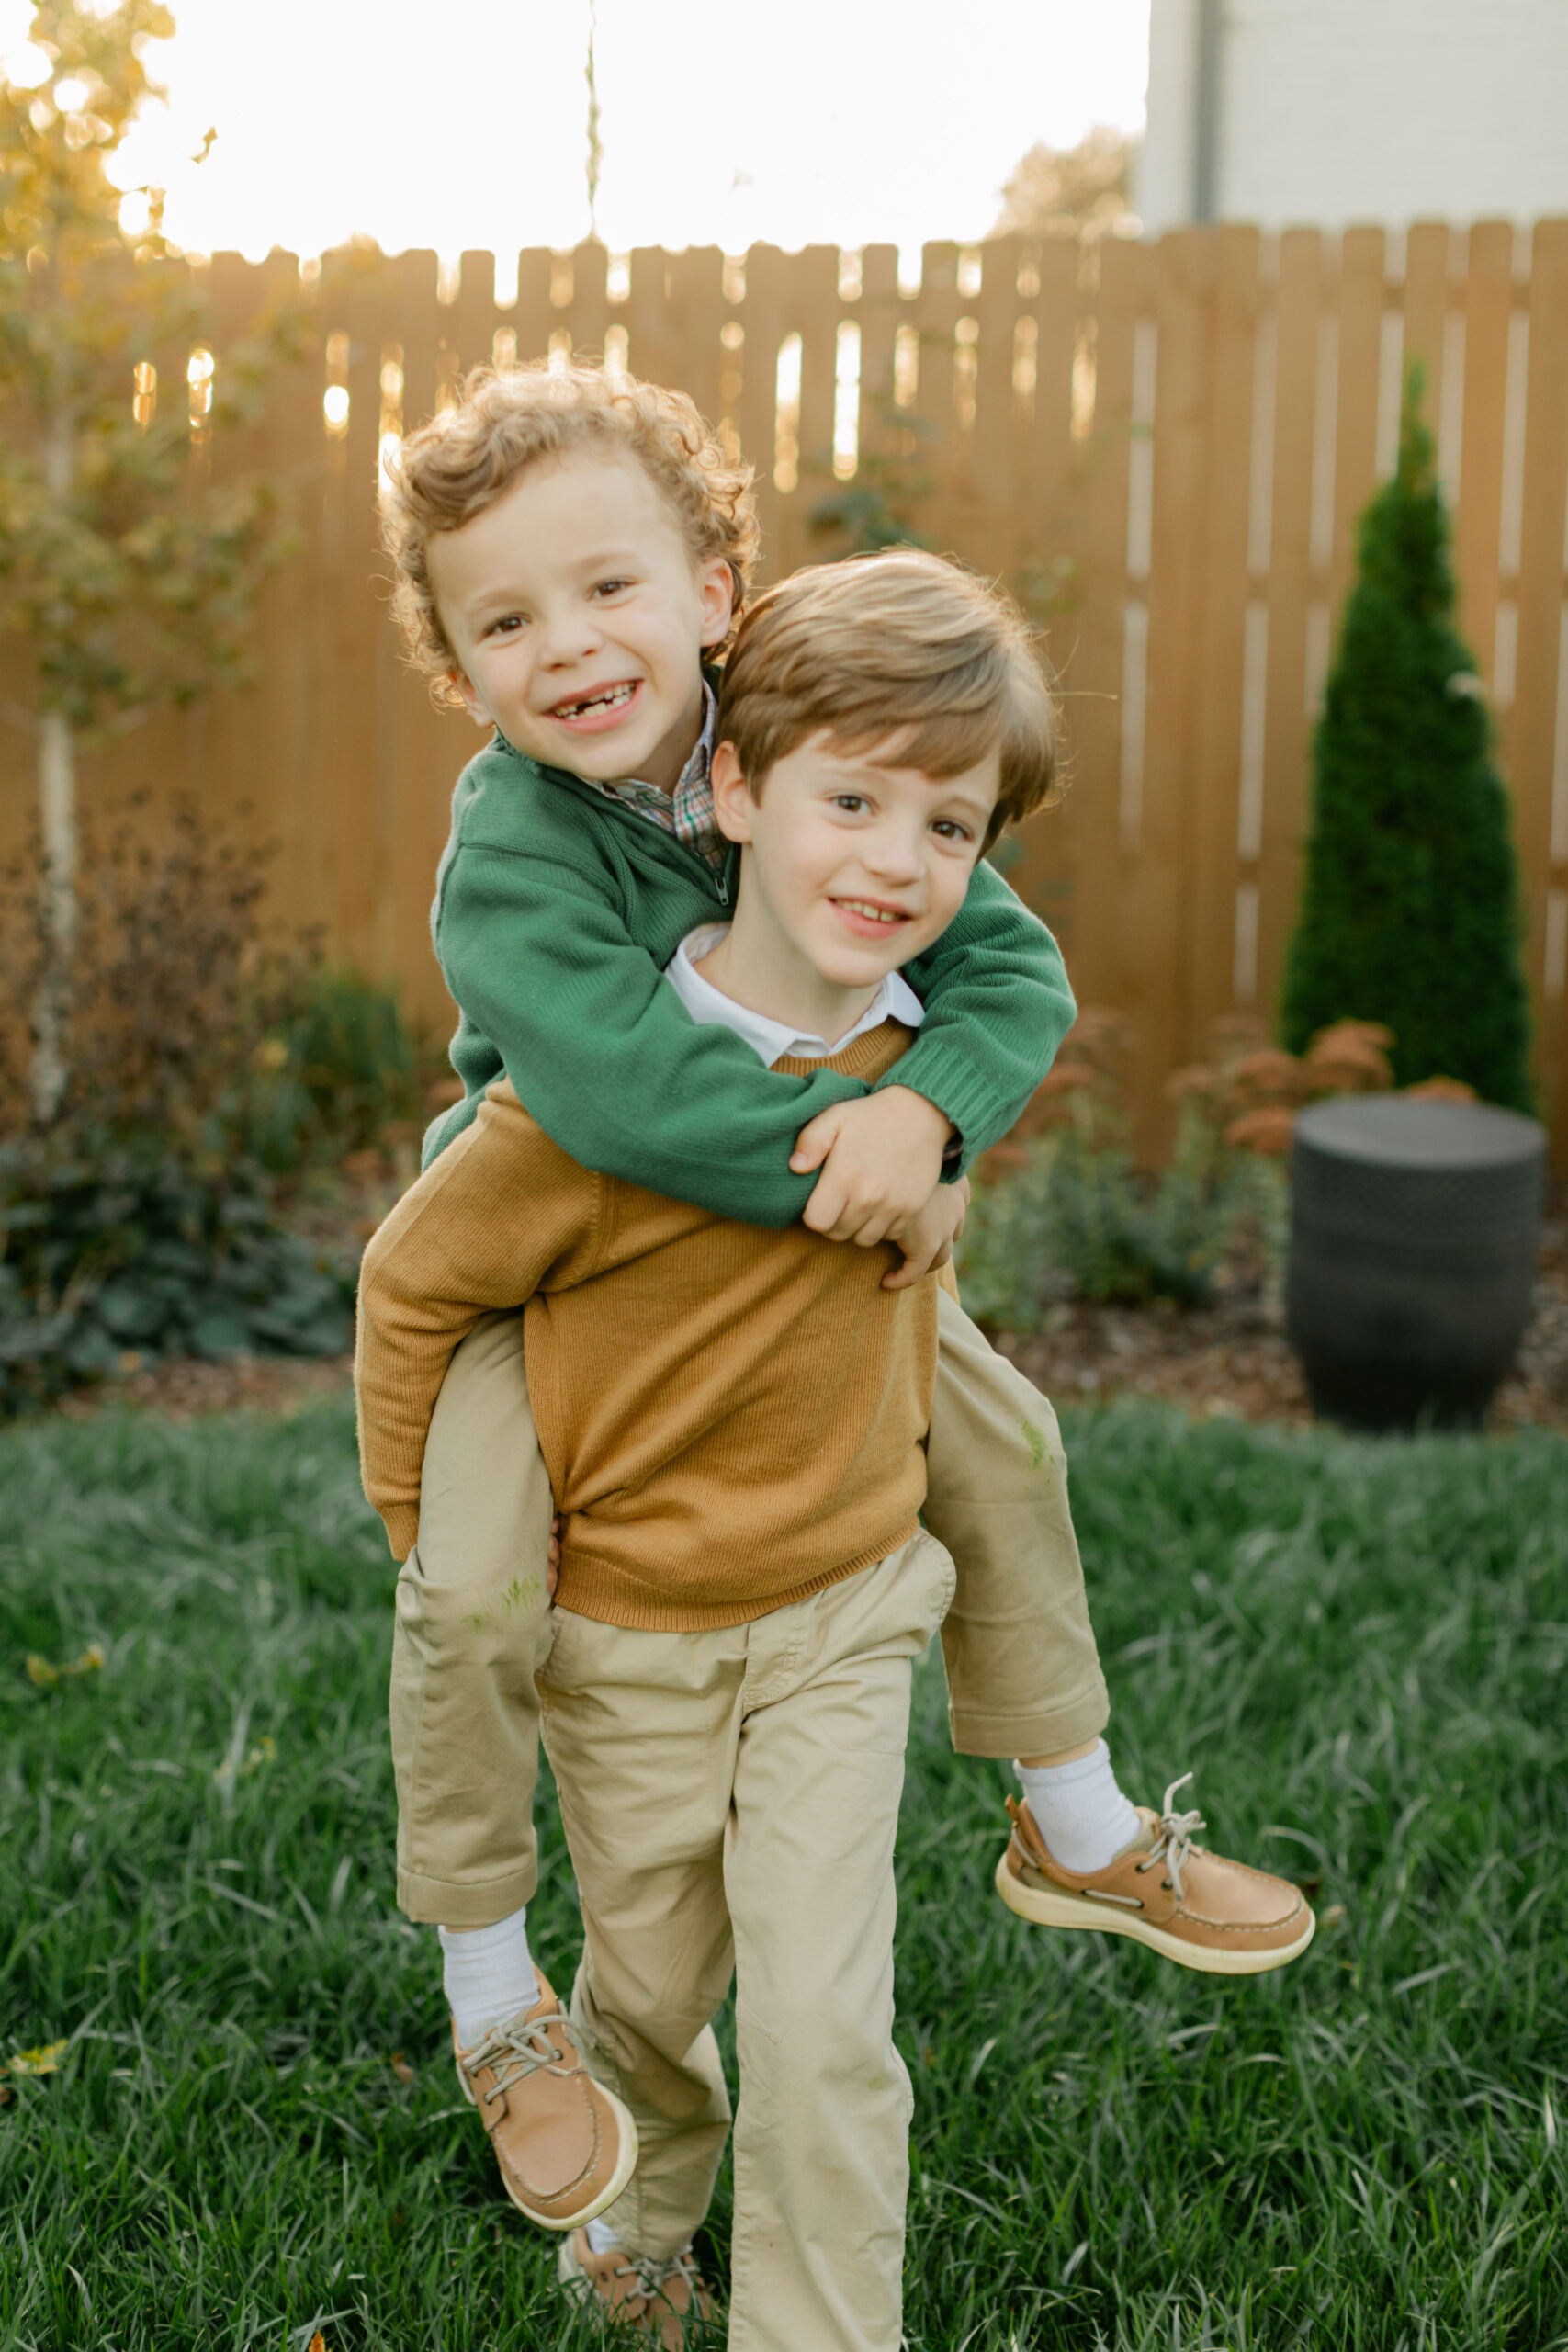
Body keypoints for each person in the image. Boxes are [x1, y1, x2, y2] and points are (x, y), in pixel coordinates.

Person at [366, 365, 1315, 2285]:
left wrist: (935, 1104)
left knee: (1001, 1438)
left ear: (716, 587)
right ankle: (490, 1990)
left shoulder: (806, 744)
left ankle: (1073, 1809)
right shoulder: (515, 852)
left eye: (606, 587)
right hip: (534, 1256)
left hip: (800, 1235)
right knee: (465, 1594)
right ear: (457, 666)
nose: (567, 645)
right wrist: (865, 1153)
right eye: (503, 621)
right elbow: (629, 1101)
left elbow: (1009, 957)